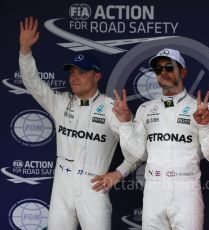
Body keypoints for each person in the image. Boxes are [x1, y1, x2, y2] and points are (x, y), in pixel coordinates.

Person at [19, 16, 138, 230]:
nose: (74, 77)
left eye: (82, 72)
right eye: (72, 72)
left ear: (97, 76)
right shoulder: (60, 102)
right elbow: (32, 82)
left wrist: (118, 172)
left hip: (93, 187)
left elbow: (137, 151)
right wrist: (25, 50)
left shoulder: (113, 108)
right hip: (62, 187)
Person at [112, 48, 209, 229]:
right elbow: (136, 155)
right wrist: (125, 124)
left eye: (169, 67)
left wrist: (204, 126)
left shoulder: (200, 108)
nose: (163, 72)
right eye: (158, 69)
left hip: (186, 189)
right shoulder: (145, 109)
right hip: (153, 190)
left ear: (183, 72)